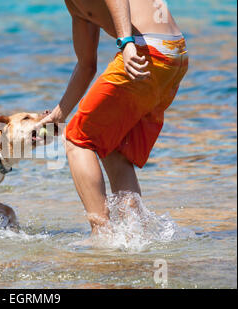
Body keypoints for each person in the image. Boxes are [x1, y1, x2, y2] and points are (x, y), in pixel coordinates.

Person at [38, 0, 189, 234]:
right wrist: (59, 114)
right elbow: (86, 66)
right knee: (114, 148)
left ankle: (101, 233)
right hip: (172, 57)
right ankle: (135, 233)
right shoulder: (76, 6)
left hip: (146, 50)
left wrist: (127, 43)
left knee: (77, 140)